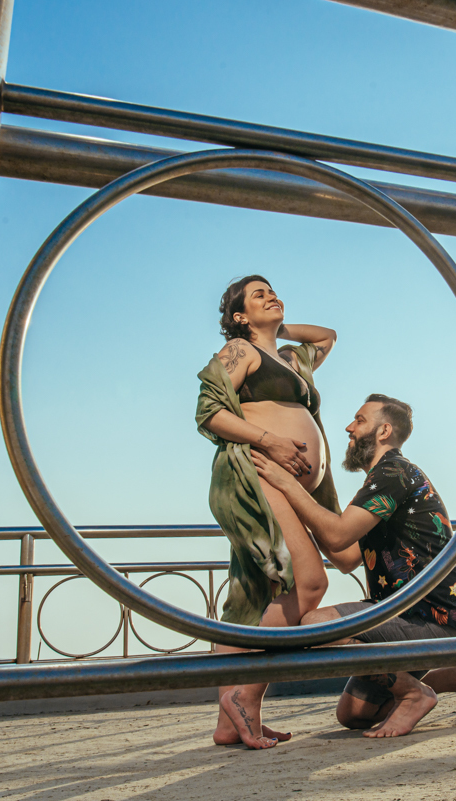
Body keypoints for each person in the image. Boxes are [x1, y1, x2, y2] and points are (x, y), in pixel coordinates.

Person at [251, 394, 456, 738]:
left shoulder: (393, 472)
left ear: (384, 431)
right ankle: (454, 674)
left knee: (316, 626)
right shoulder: (382, 480)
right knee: (353, 715)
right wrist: (299, 513)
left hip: (432, 617)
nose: (349, 427)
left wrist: (287, 484)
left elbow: (336, 538)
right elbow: (346, 558)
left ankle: (413, 693)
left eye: (360, 420)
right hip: (401, 617)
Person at [195, 274, 345, 749]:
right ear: (239, 317)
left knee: (251, 599)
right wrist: (273, 442)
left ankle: (234, 720)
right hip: (257, 474)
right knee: (310, 583)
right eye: (258, 295)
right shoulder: (240, 353)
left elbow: (327, 336)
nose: (271, 296)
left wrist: (275, 329)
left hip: (290, 485)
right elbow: (208, 412)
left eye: (273, 290)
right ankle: (243, 697)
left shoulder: (289, 357)